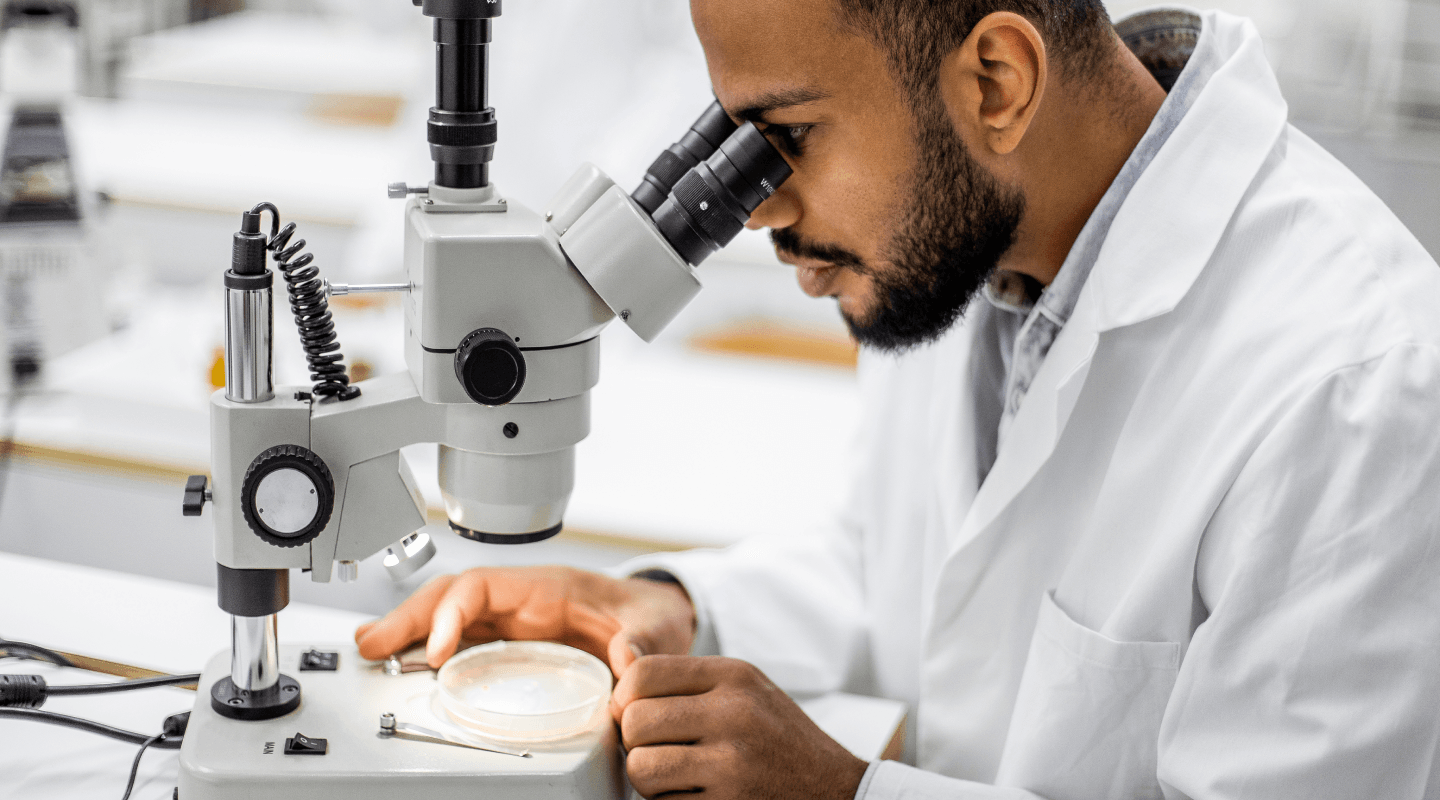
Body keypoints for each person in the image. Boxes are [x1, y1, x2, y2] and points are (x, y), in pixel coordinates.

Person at [357, 0, 1440, 797]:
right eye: (733, 143)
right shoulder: (964, 233)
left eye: (790, 136)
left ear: (996, 83)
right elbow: (903, 567)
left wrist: (847, 794)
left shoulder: (1352, 384)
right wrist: (676, 609)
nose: (756, 210)